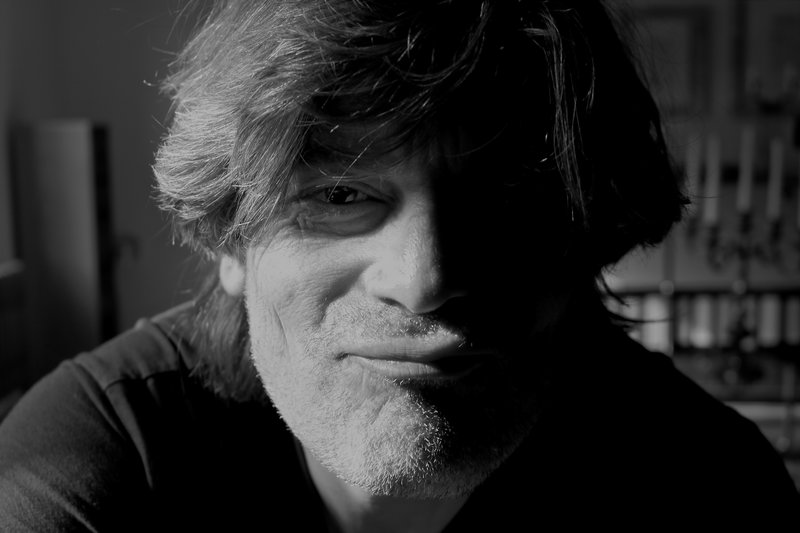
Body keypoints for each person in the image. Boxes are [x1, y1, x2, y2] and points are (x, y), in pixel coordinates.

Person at [1, 0, 797, 530]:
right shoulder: (92, 460)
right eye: (340, 193)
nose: (424, 278)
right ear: (229, 240)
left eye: (506, 199)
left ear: (586, 232)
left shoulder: (709, 484)